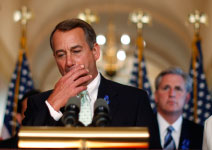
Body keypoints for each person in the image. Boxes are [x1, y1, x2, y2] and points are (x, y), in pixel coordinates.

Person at [22, 18, 156, 148]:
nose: (69, 62)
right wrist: (53, 105)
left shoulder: (134, 100)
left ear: (95, 52)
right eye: (61, 54)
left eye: (76, 51)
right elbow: (22, 146)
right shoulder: (38, 104)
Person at [151, 67, 203, 149]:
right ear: (156, 96)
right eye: (166, 88)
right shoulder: (141, 130)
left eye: (178, 89)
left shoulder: (201, 134)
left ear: (187, 98)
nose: (172, 94)